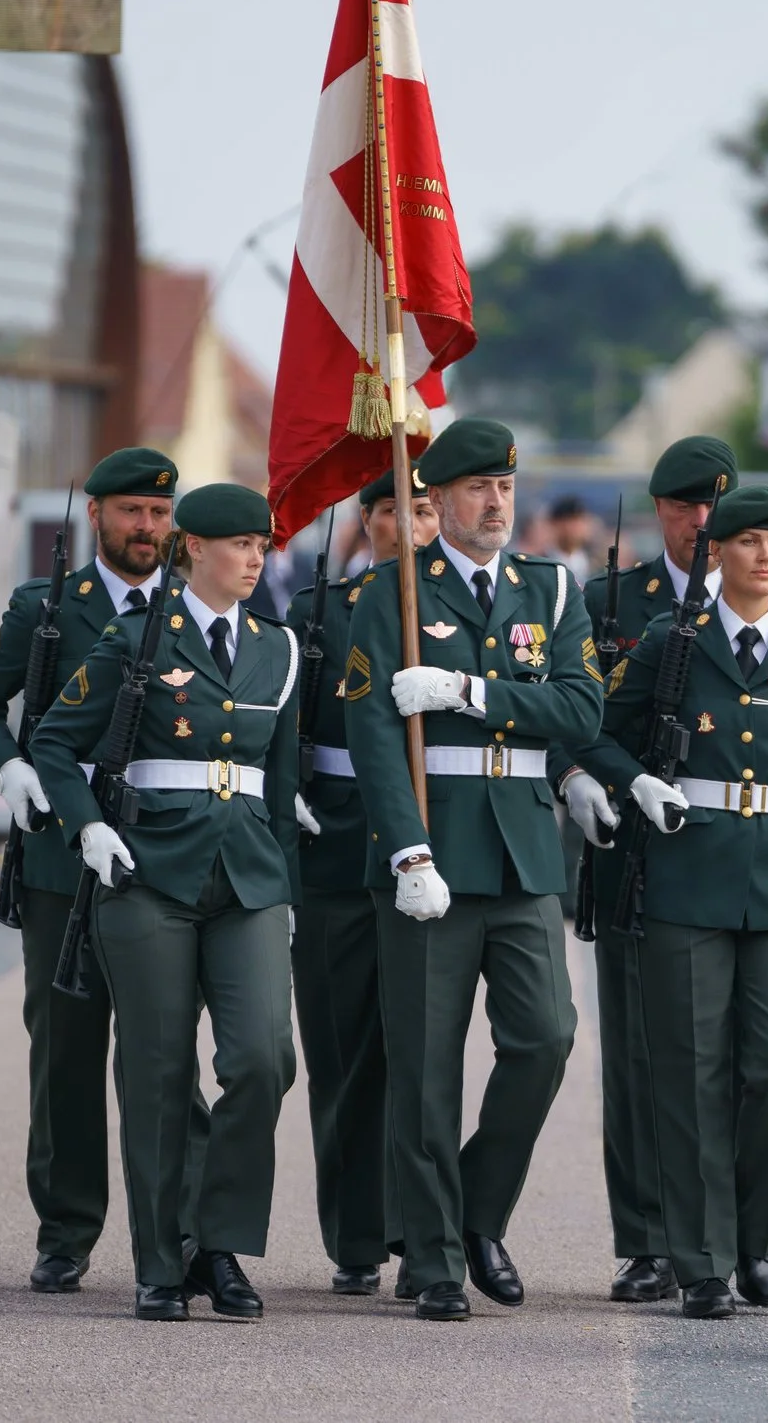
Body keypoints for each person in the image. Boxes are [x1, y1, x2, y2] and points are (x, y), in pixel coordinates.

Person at [576, 484, 768, 1319]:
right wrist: (634, 782)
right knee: (690, 1074)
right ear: (718, 555)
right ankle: (700, 1260)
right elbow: (589, 726)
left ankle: (756, 1238)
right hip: (688, 875)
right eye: (749, 543)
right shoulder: (672, 642)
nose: (767, 556)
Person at [345, 418, 601, 1321]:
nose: (496, 503)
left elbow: (579, 703)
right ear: (439, 502)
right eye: (477, 490)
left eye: (506, 488)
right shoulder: (395, 591)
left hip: (524, 850)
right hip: (434, 851)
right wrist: (406, 848)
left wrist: (467, 691)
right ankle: (438, 1260)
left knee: (546, 1038)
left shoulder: (551, 588)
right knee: (424, 1067)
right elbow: (374, 732)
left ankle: (474, 1212)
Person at [30, 481, 301, 1322]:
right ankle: (159, 1261)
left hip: (247, 873)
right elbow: (52, 739)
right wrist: (86, 830)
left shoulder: (279, 649)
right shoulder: (137, 637)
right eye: (240, 544)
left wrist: (285, 886)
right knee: (157, 1068)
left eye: (262, 544)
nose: (256, 558)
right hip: (147, 872)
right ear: (194, 549)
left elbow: (280, 782)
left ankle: (215, 1241)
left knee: (263, 1057)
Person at [0, 446, 197, 1297]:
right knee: (66, 1048)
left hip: (163, 855)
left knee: (165, 1052)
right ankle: (67, 1226)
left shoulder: (195, 606)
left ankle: (185, 1229)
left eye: (161, 515)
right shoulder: (48, 608)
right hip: (61, 854)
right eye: (132, 512)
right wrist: (6, 767)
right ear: (95, 516)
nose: (148, 529)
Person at [284, 462, 436, 1297]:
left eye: (421, 509)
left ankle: (422, 1231)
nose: (406, 525)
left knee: (418, 1049)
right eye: (391, 510)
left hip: (429, 842)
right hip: (340, 840)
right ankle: (354, 1233)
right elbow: (278, 724)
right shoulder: (321, 612)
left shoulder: (451, 614)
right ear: (367, 522)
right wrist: (289, 801)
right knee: (345, 1049)